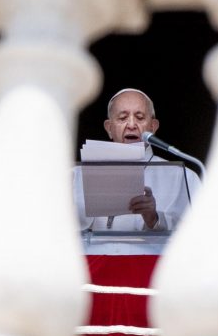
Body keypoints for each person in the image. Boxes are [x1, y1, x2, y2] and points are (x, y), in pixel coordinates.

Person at [74, 88, 200, 232]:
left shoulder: (182, 177)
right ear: (109, 128)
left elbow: (198, 234)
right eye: (123, 118)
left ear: (153, 127)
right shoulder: (76, 175)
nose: (132, 125)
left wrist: (154, 218)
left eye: (140, 117)